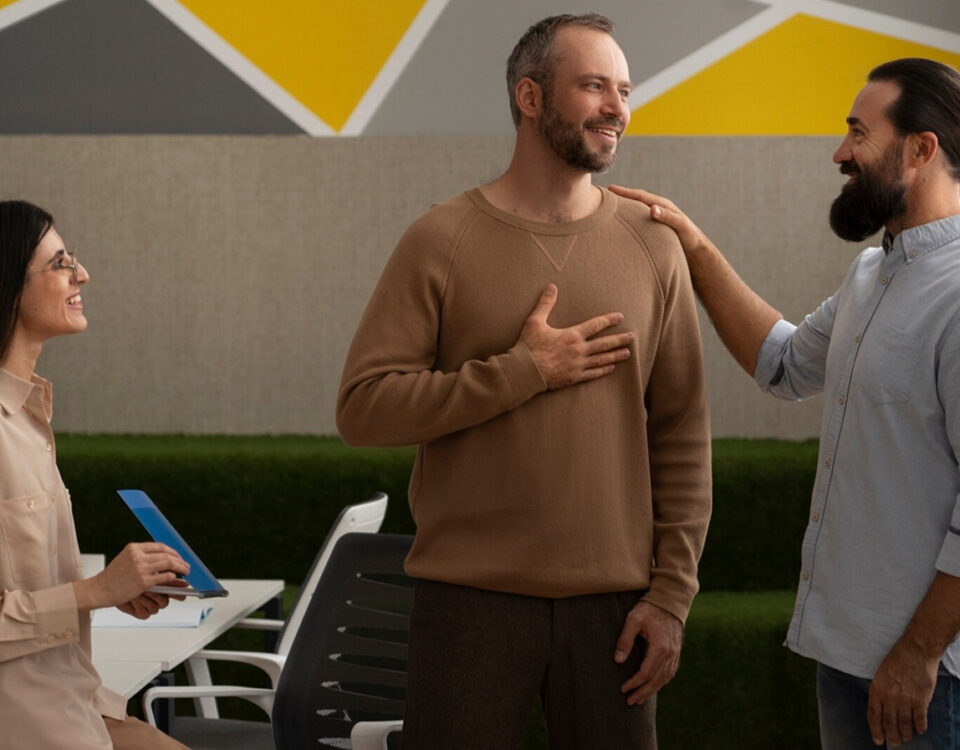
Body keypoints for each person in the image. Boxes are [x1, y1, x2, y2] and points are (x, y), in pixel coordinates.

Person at [337, 13, 710, 748]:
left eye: (625, 90)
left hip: (615, 610)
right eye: (594, 86)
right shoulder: (440, 238)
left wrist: (672, 595)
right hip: (467, 605)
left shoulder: (654, 245)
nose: (617, 107)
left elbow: (682, 433)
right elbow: (363, 409)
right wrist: (522, 372)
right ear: (530, 97)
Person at [611, 57, 960, 749]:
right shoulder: (871, 274)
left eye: (859, 133)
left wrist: (919, 653)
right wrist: (692, 244)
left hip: (928, 676)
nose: (841, 153)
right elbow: (783, 363)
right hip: (849, 657)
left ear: (922, 150)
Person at [0, 200, 193, 750]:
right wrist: (93, 591)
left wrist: (105, 594)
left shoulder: (30, 416)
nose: (81, 274)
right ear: (9, 285)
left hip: (80, 704)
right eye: (60, 263)